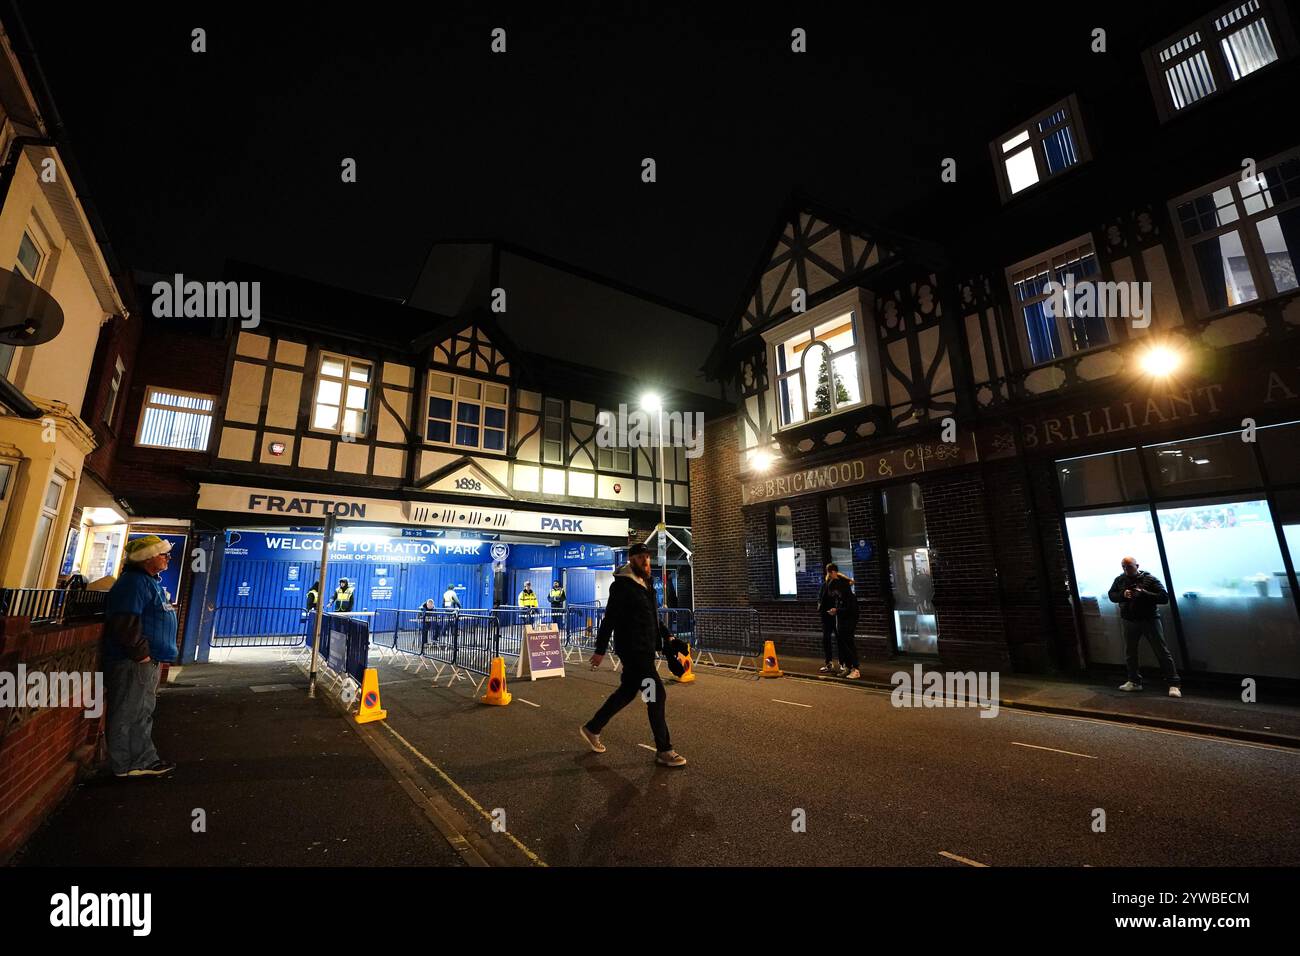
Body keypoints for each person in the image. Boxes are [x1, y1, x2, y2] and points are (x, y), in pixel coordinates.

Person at [580, 544, 686, 767]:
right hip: (633, 651)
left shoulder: (645, 583)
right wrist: (600, 650)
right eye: (640, 557)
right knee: (656, 695)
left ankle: (592, 727)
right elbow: (609, 619)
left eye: (647, 557)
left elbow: (652, 617)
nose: (646, 561)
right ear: (631, 560)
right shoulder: (622, 586)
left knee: (627, 692)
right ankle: (664, 750)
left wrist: (668, 637)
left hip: (646, 650)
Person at [103, 535, 178, 778]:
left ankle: (141, 759)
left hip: (145, 660)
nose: (168, 557)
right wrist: (141, 654)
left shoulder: (147, 581)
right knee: (129, 711)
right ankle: (128, 763)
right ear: (147, 558)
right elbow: (125, 620)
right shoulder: (134, 583)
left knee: (141, 711)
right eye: (163, 553)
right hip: (134, 661)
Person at [1108, 556, 1181, 697]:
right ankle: (1134, 681)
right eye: (1123, 566)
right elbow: (1112, 595)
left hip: (1149, 619)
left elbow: (1164, 598)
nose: (1125, 569)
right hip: (1129, 620)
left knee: (1161, 651)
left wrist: (1144, 594)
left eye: (1128, 566)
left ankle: (1174, 684)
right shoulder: (1120, 580)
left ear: (1137, 565)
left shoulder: (1150, 579)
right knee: (1130, 652)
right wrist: (1123, 594)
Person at [827, 566, 860, 679]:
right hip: (843, 622)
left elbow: (850, 609)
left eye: (835, 592)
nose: (834, 594)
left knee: (849, 644)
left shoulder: (848, 596)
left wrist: (837, 610)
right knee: (844, 645)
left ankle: (855, 669)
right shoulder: (840, 597)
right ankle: (848, 667)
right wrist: (835, 611)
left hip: (848, 622)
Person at [817, 565, 840, 674]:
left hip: (836, 615)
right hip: (827, 615)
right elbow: (820, 598)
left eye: (830, 572)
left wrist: (837, 609)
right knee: (827, 639)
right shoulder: (825, 585)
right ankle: (829, 663)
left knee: (840, 639)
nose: (829, 574)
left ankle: (842, 663)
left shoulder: (839, 584)